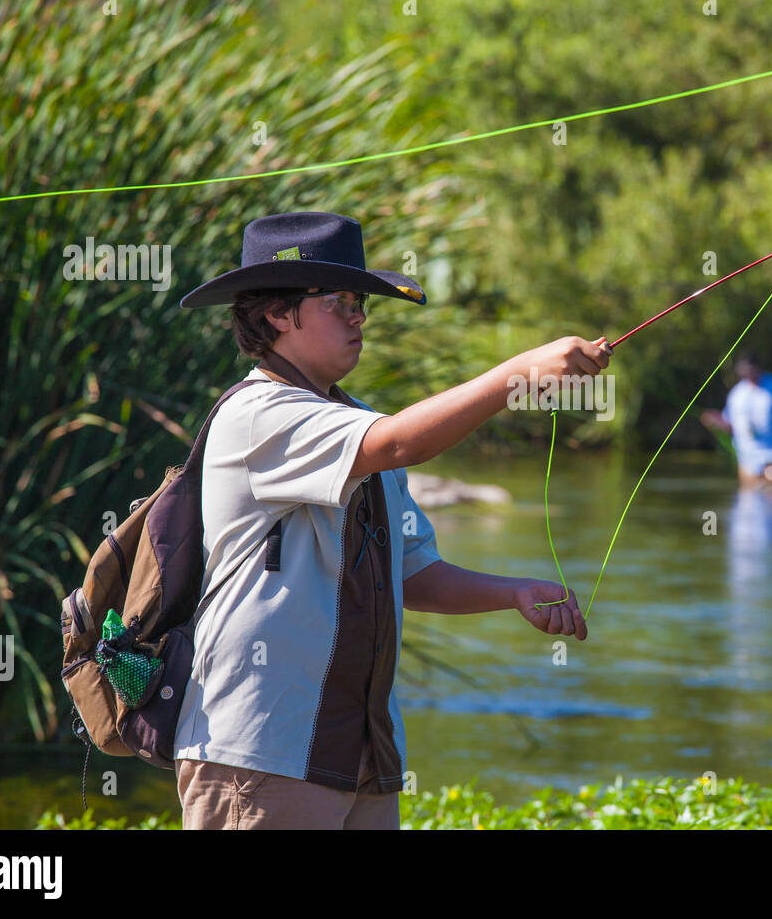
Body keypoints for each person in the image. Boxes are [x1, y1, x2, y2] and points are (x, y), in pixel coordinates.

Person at [173, 211, 612, 829]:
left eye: (360, 302)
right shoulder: (260, 413)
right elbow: (401, 443)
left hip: (359, 753)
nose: (358, 316)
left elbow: (413, 573)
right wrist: (520, 373)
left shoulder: (356, 423)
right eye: (339, 300)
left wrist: (512, 594)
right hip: (261, 748)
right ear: (277, 313)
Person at [700, 352, 772, 484]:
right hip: (746, 458)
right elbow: (731, 426)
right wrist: (716, 421)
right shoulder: (737, 393)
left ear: (758, 368)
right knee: (748, 494)